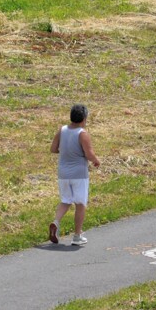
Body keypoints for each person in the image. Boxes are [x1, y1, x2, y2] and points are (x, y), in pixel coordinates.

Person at [49, 104, 100, 246]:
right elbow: (89, 154)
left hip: (63, 173)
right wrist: (96, 161)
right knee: (80, 203)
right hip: (79, 174)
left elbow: (53, 149)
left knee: (66, 200)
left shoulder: (62, 130)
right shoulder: (82, 134)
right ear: (84, 118)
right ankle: (77, 235)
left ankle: (56, 222)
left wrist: (66, 151)